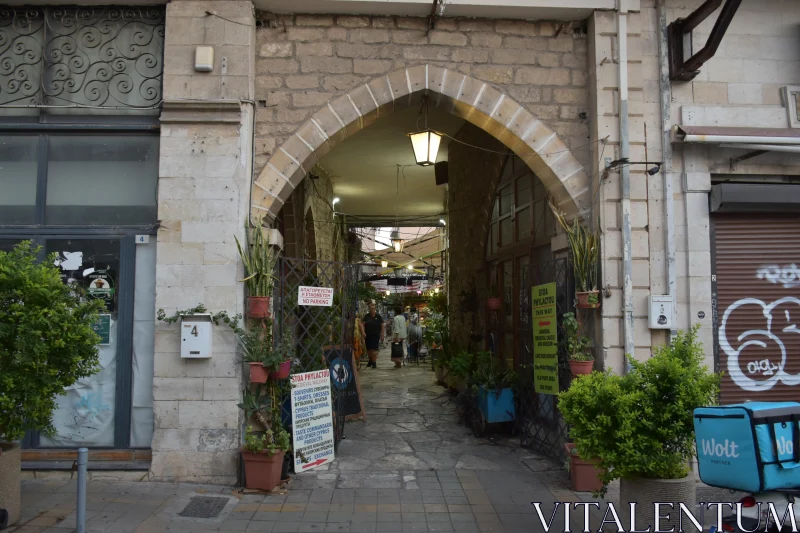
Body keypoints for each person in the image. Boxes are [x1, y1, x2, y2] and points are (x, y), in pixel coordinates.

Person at [359, 302, 384, 369]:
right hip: (368, 335)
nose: (372, 310)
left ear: (375, 309)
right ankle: (370, 360)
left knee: (374, 349)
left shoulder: (378, 316)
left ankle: (374, 363)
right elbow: (362, 324)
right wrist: (363, 332)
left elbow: (382, 326)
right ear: (369, 309)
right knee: (369, 350)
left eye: (373, 308)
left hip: (376, 335)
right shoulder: (366, 316)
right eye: (370, 308)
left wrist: (382, 335)